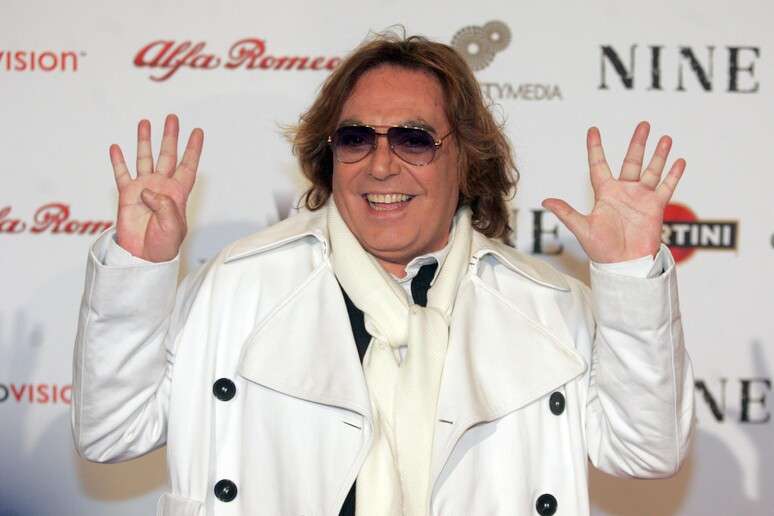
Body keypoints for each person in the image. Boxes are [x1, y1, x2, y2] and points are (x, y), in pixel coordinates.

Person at [71, 33, 695, 516]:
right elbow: (110, 433)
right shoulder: (238, 285)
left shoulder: (546, 306)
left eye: (414, 139)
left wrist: (628, 276)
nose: (380, 165)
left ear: (465, 159)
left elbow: (647, 450)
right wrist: (138, 269)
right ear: (329, 156)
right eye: (355, 139)